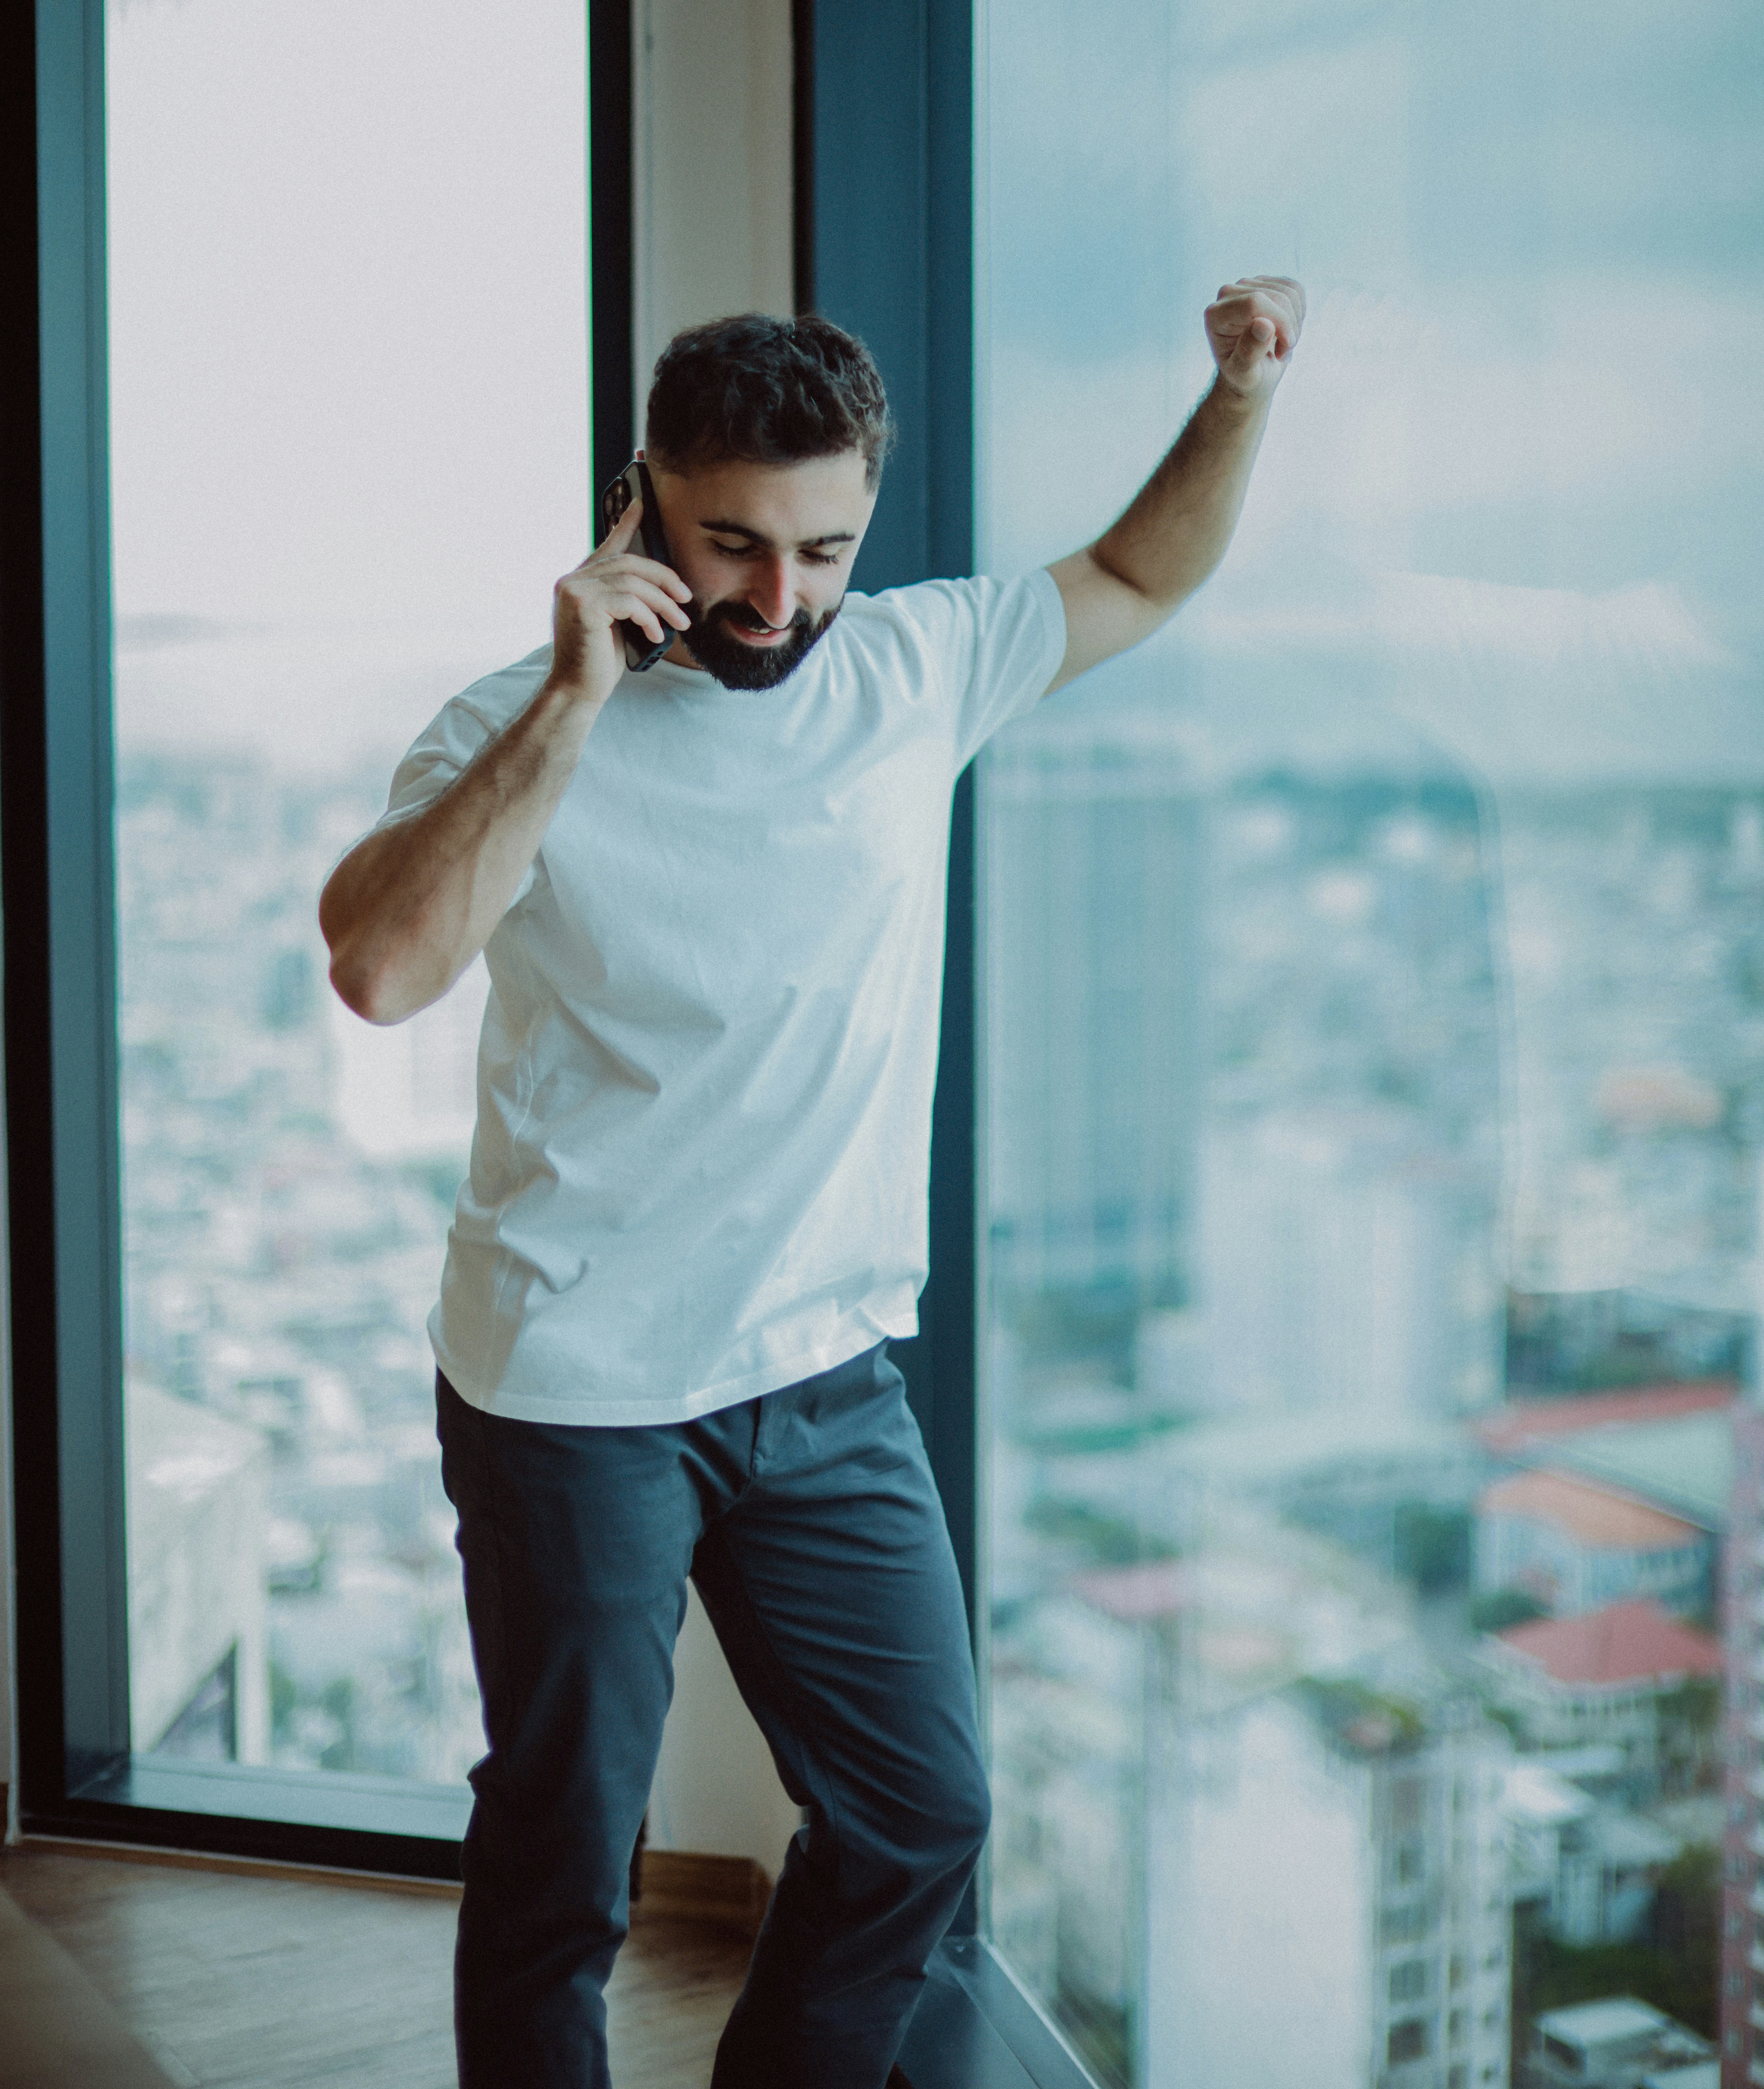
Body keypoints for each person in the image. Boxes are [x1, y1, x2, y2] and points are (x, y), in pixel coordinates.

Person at [317, 278, 1303, 2089]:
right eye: (735, 546)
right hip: (576, 1387)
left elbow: (1142, 577)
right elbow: (383, 966)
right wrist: (570, 697)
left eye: (827, 549)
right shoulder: (508, 723)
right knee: (562, 1863)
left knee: (925, 1813)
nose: (783, 601)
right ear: (643, 504)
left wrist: (1237, 391)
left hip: (826, 1377)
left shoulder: (911, 669)